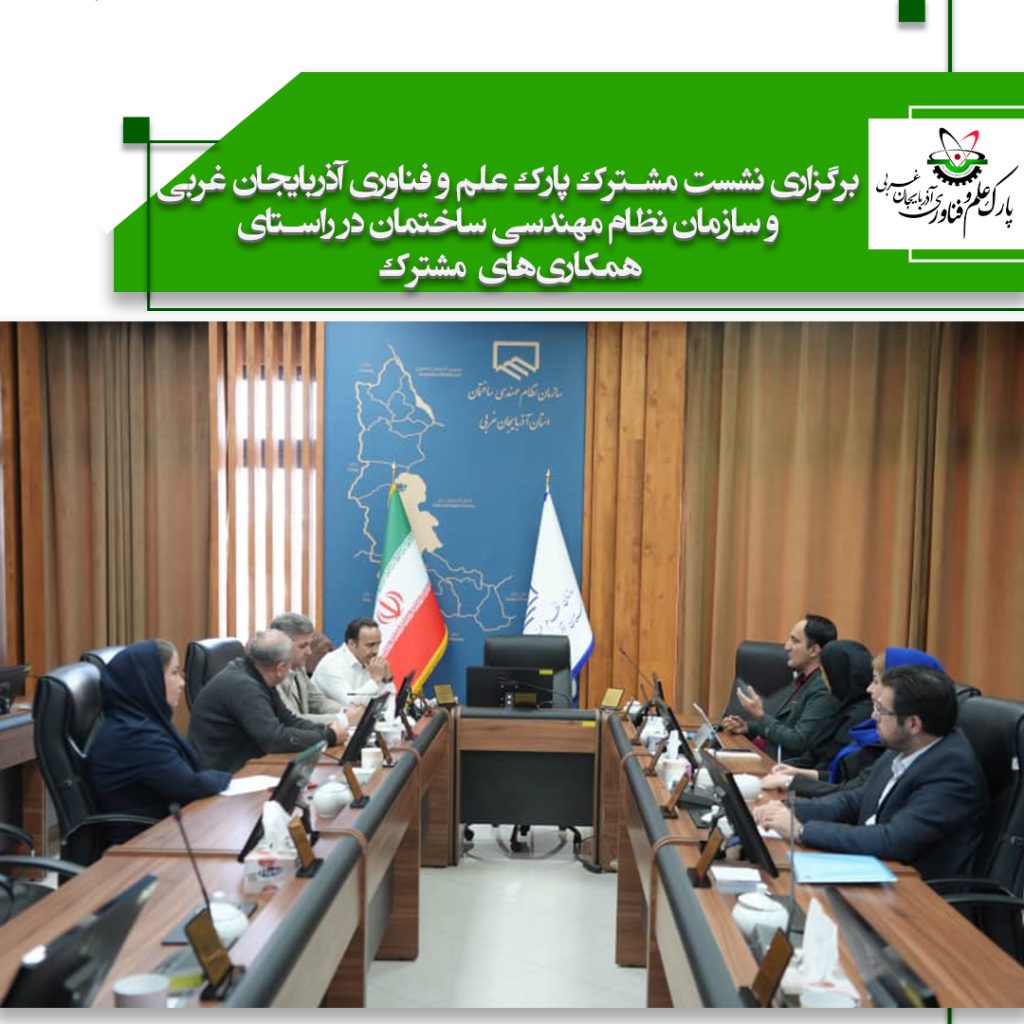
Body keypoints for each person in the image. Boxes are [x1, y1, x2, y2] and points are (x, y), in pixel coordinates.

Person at [755, 664, 987, 880]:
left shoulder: (951, 770)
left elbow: (893, 840)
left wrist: (802, 831)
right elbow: (853, 800)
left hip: (917, 890)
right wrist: (785, 809)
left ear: (913, 724)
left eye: (881, 710)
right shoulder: (904, 747)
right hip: (878, 868)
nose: (873, 716)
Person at [87, 640, 231, 843]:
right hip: (141, 843)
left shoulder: (140, 721)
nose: (182, 683)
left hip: (165, 828)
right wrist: (227, 779)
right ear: (148, 679)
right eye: (174, 673)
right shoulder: (135, 737)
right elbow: (189, 786)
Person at [763, 645, 946, 797]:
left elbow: (851, 795)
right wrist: (799, 776)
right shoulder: (889, 740)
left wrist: (792, 784)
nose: (869, 689)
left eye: (876, 681)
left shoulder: (897, 743)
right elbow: (851, 786)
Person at [188, 629, 344, 773]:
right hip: (224, 774)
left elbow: (289, 720)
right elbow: (274, 739)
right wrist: (328, 737)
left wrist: (325, 730)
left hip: (248, 762)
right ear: (280, 668)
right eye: (289, 665)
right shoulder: (243, 686)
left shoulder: (258, 674)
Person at [721, 613, 841, 761]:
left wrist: (760, 716)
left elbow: (798, 741)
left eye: (795, 641)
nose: (786, 646)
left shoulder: (823, 688)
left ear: (814, 650)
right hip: (760, 754)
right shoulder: (802, 679)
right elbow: (785, 726)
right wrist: (747, 727)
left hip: (776, 765)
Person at [311, 618, 393, 722]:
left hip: (355, 725)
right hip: (326, 727)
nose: (376, 651)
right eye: (370, 645)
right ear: (352, 643)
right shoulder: (332, 664)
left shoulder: (367, 660)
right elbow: (350, 704)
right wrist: (375, 680)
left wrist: (387, 680)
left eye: (378, 644)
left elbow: (386, 702)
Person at [269, 612, 343, 727]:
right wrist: (343, 719)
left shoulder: (298, 667)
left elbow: (319, 702)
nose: (309, 652)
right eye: (303, 646)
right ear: (281, 645)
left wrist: (346, 711)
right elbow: (292, 719)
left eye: (310, 645)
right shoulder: (271, 674)